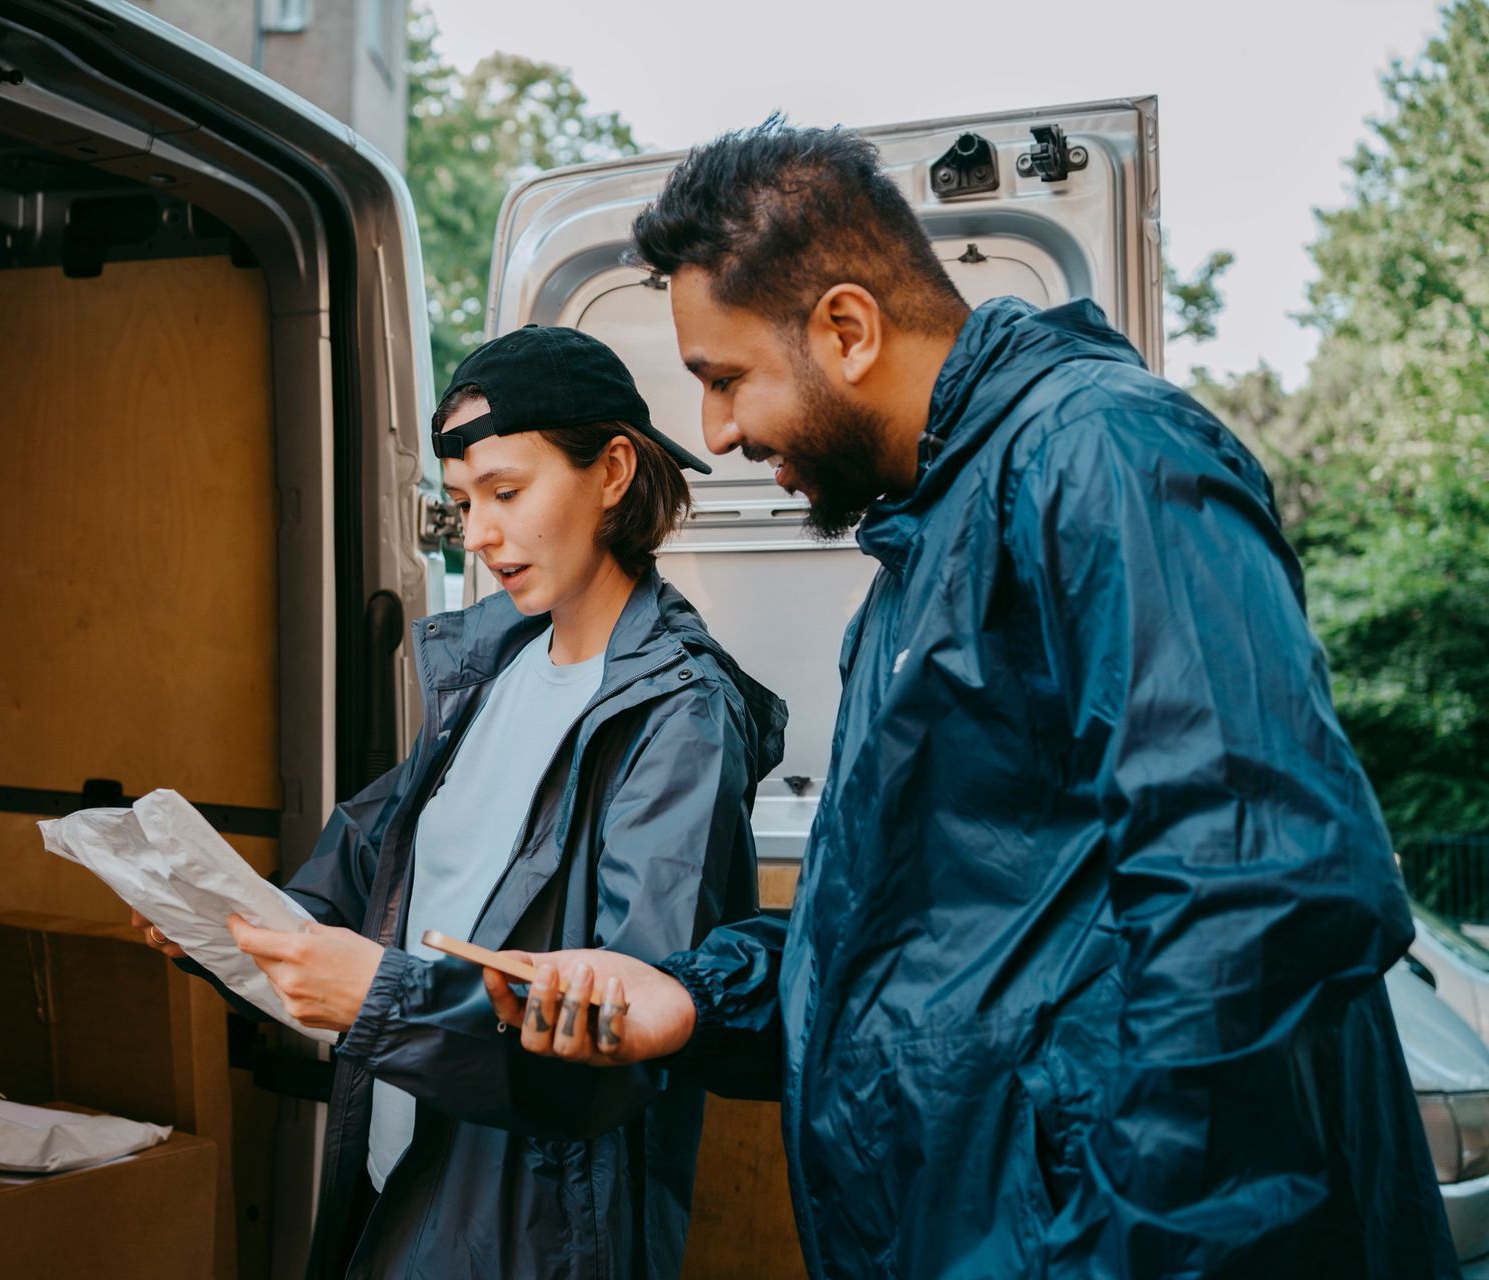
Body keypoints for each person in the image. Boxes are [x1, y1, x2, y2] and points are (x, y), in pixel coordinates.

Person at [487, 120, 1456, 1277]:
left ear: (847, 328)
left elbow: (1263, 900)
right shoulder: (919, 556)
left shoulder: (1104, 455)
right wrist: (693, 998)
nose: (717, 433)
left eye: (725, 377)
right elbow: (922, 948)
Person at [136, 325, 786, 1279]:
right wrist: (235, 921)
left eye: (507, 493)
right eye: (462, 502)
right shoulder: (493, 665)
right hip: (402, 1159)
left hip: (539, 1219)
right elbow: (372, 860)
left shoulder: (678, 712)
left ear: (611, 473)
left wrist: (379, 995)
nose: (477, 535)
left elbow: (621, 1030)